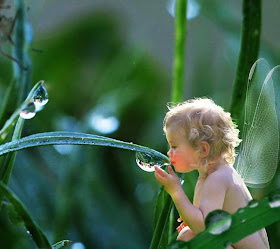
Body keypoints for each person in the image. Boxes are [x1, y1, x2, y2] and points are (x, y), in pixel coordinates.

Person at [154, 98, 270, 249]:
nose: (169, 153)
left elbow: (205, 230)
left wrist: (176, 192)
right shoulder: (214, 175)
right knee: (188, 235)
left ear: (203, 149)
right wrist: (191, 217)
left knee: (191, 237)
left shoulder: (217, 179)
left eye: (174, 146)